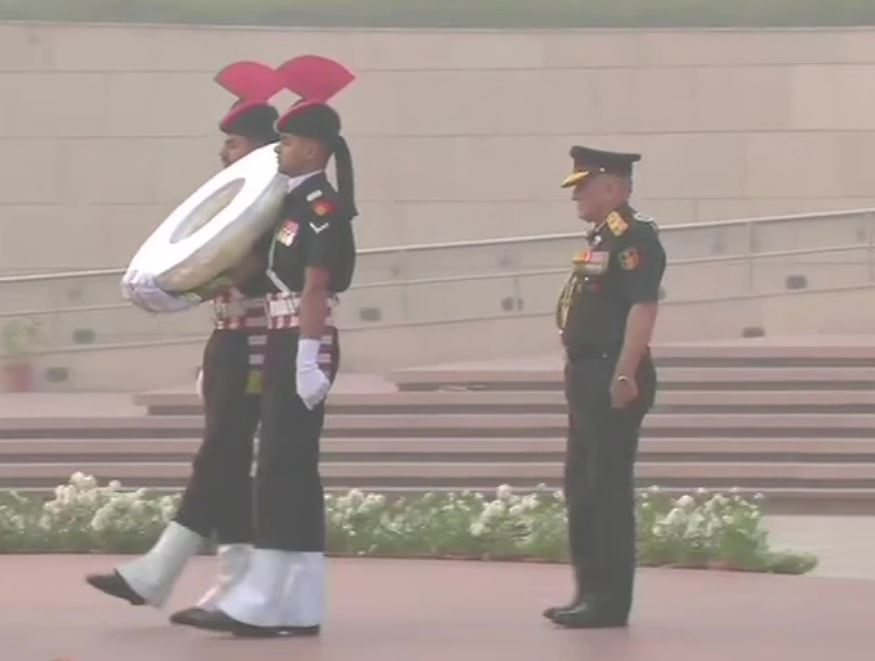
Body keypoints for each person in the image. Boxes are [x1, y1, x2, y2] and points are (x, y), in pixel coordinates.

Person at [85, 84, 280, 623]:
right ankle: (234, 579)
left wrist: (179, 291)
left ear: (261, 146)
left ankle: (160, 569)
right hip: (231, 338)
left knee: (220, 452)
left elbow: (242, 272)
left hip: (256, 344)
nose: (225, 154)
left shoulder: (271, 205)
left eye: (234, 143)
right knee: (229, 458)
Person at [181, 99, 357, 637]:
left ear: (312, 148)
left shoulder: (321, 206)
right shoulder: (291, 203)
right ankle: (299, 600)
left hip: (302, 337)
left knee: (284, 464)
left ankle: (263, 595)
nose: (278, 150)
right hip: (282, 335)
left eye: (285, 142)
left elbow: (317, 285)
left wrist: (307, 355)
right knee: (290, 467)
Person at [545, 146, 666, 629]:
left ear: (614, 189)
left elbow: (643, 307)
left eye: (585, 186)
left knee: (607, 488)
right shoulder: (600, 238)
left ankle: (609, 600)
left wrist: (625, 372)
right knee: (581, 487)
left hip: (611, 372)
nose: (577, 196)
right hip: (585, 373)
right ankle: (587, 590)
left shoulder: (635, 239)